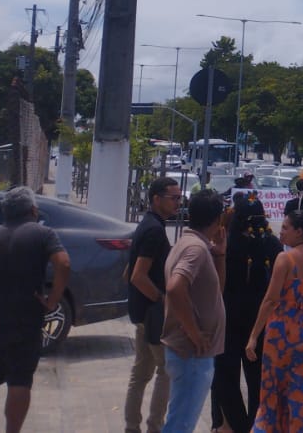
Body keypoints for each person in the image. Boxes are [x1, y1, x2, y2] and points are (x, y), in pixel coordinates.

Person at [0, 186, 70, 433]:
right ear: (33, 210)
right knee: (20, 380)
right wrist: (53, 299)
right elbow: (63, 263)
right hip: (26, 319)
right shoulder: (44, 234)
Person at [246, 210, 303, 432]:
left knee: (273, 389)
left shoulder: (285, 258)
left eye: (286, 227)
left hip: (282, 332)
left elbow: (270, 300)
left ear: (299, 232)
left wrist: (253, 336)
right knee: (300, 388)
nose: (282, 231)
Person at [161, 188, 229, 433]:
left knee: (180, 420)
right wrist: (194, 332)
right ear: (217, 219)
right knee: (181, 424)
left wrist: (219, 254)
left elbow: (215, 291)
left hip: (192, 354)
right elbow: (174, 288)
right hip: (192, 354)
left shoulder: (195, 245)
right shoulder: (195, 249)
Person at [212, 197, 282, 433]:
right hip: (261, 323)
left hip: (228, 321)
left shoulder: (226, 244)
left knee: (225, 376)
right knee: (258, 381)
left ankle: (234, 424)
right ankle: (256, 424)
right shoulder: (272, 244)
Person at [126, 176, 182, 433]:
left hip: (142, 313)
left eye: (180, 198)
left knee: (141, 374)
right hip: (153, 315)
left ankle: (131, 427)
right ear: (157, 199)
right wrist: (161, 300)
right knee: (165, 371)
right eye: (174, 198)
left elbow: (128, 272)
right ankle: (154, 427)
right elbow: (137, 275)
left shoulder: (148, 225)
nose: (178, 202)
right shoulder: (154, 231)